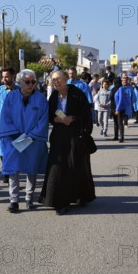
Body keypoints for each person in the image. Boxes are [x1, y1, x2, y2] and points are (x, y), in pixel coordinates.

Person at [39, 70, 95, 215]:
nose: (56, 82)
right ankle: (60, 201)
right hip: (59, 136)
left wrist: (73, 118)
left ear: (66, 79)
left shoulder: (77, 94)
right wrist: (56, 119)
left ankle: (81, 195)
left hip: (75, 135)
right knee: (58, 168)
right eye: (53, 80)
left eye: (58, 79)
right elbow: (50, 115)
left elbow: (86, 115)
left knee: (77, 165)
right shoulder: (53, 96)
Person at [0, 69, 48, 213]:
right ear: (20, 82)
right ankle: (14, 200)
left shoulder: (40, 98)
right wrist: (17, 137)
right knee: (14, 170)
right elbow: (5, 118)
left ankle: (29, 197)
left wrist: (30, 137)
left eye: (33, 82)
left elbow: (43, 120)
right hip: (14, 138)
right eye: (27, 82)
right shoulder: (11, 97)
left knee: (31, 168)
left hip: (33, 139)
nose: (31, 85)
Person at [114, 75, 134, 142]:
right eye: (123, 80)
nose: (124, 81)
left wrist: (117, 109)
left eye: (125, 80)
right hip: (120, 106)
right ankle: (121, 136)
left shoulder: (129, 88)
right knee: (120, 123)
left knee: (121, 122)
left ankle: (121, 137)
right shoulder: (119, 88)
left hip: (124, 107)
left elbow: (133, 98)